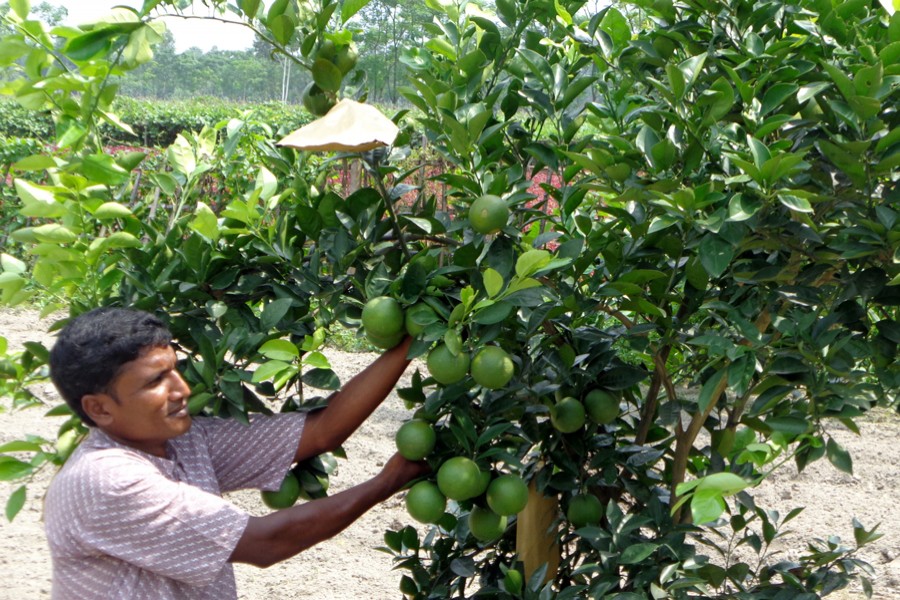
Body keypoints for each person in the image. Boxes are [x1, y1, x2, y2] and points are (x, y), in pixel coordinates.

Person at [43, 307, 427, 599]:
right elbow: (265, 543)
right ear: (99, 409)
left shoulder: (186, 440)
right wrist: (386, 483)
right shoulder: (105, 480)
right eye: (156, 381)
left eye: (174, 370)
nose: (182, 390)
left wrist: (409, 345)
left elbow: (321, 432)